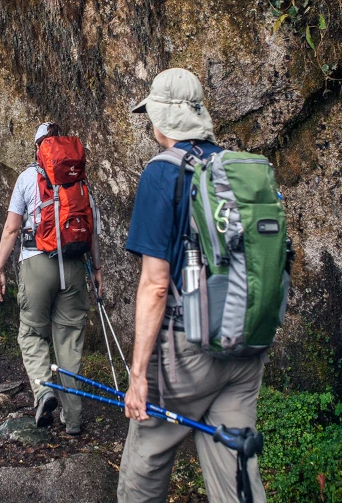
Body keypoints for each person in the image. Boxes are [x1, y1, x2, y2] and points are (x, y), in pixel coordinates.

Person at [118, 68, 267, 502]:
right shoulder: (237, 169)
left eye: (151, 114)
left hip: (187, 353)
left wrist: (139, 375)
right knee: (235, 472)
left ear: (161, 118)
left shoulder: (163, 174)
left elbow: (156, 285)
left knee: (144, 461)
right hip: (245, 345)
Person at [0, 122, 101, 436]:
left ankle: (44, 393)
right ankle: (74, 419)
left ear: (38, 147)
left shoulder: (28, 177)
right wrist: (97, 270)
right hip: (75, 266)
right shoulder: (80, 180)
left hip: (36, 263)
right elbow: (90, 229)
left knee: (32, 334)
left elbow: (12, 229)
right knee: (69, 342)